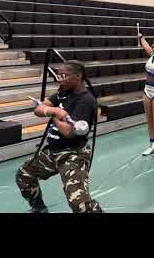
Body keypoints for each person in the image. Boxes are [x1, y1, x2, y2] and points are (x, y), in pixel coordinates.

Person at [16, 60, 102, 213]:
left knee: (79, 204)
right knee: (24, 175)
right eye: (59, 75)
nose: (59, 79)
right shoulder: (62, 92)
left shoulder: (86, 101)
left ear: (78, 76)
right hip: (53, 151)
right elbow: (39, 109)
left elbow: (68, 131)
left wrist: (53, 114)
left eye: (64, 75)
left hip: (73, 154)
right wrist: (54, 111)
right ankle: (39, 208)